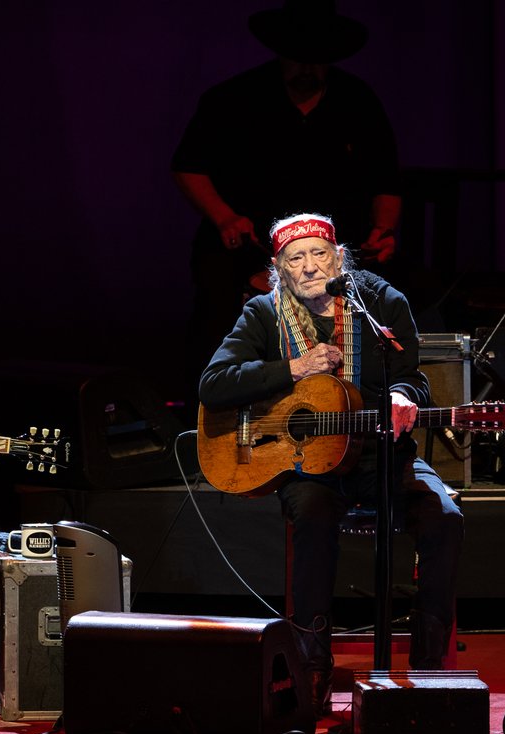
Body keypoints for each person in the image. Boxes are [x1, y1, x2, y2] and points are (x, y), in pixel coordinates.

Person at [198, 212, 463, 718]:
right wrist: (294, 368)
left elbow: (415, 378)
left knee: (444, 518)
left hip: (381, 454)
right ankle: (311, 672)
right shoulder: (263, 313)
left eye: (320, 253)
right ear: (280, 270)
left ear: (339, 257)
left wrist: (404, 395)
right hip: (308, 466)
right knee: (314, 516)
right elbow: (214, 384)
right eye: (296, 259)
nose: (310, 265)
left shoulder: (381, 303)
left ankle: (429, 673)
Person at [173, 0, 401, 423]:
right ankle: (209, 429)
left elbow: (387, 180)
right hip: (244, 246)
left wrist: (383, 230)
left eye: (318, 59)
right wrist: (224, 216)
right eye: (299, 58)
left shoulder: (357, 101)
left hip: (331, 255)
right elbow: (188, 167)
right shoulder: (233, 98)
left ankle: (347, 424)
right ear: (280, 53)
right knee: (217, 319)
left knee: (370, 311)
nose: (307, 69)